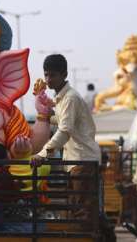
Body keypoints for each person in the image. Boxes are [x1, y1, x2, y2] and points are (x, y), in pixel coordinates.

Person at [30, 54, 101, 228]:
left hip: (82, 160)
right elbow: (62, 121)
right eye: (46, 75)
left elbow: (65, 130)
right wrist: (46, 114)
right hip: (77, 161)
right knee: (78, 207)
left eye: (53, 75)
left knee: (81, 210)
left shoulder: (69, 98)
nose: (48, 79)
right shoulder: (62, 98)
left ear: (64, 74)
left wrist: (42, 153)